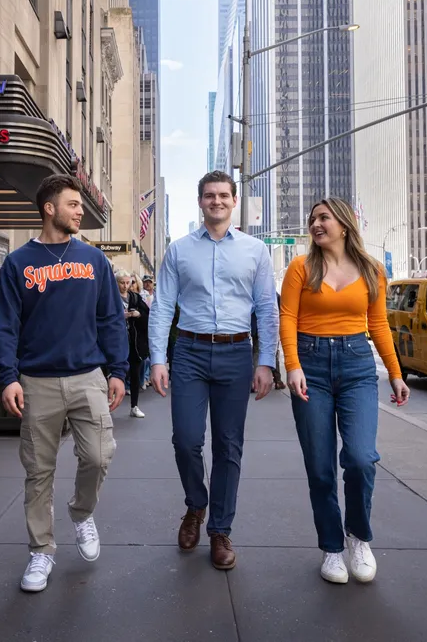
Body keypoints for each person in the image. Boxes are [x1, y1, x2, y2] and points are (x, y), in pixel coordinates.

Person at [0, 173, 128, 594]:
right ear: (49, 208)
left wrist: (118, 370)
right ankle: (42, 550)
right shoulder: (18, 263)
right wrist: (7, 377)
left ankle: (82, 513)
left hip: (88, 376)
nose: (79, 210)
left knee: (100, 454)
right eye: (72, 204)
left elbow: (110, 318)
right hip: (36, 380)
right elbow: (5, 325)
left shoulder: (94, 260)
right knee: (38, 471)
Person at [149, 170, 278, 571]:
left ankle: (220, 529)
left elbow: (267, 310)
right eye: (209, 196)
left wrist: (266, 362)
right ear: (200, 201)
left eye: (223, 195)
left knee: (228, 446)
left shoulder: (256, 250)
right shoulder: (179, 249)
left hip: (237, 354)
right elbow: (163, 306)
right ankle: (196, 505)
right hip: (188, 350)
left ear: (234, 201)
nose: (217, 202)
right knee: (186, 440)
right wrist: (157, 358)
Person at [280, 197, 410, 585]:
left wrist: (395, 372)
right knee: (320, 468)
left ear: (345, 224)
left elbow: (379, 324)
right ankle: (332, 548)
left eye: (324, 217)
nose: (316, 224)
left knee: (360, 458)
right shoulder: (301, 267)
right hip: (311, 365)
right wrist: (293, 366)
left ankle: (358, 537)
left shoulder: (371, 269)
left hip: (356, 365)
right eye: (313, 219)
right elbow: (287, 317)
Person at [118, 271, 150, 418]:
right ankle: (107, 403)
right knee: (113, 372)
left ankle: (134, 405)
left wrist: (138, 315)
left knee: (135, 373)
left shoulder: (135, 298)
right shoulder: (111, 297)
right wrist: (120, 316)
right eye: (122, 283)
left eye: (127, 283)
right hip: (116, 342)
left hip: (133, 342)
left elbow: (147, 316)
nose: (125, 286)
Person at [140, 276, 156, 389]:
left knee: (152, 352)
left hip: (154, 326)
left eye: (149, 282)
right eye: (145, 282)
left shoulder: (156, 295)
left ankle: (149, 376)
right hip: (145, 326)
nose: (147, 285)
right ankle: (145, 377)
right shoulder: (142, 296)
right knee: (146, 353)